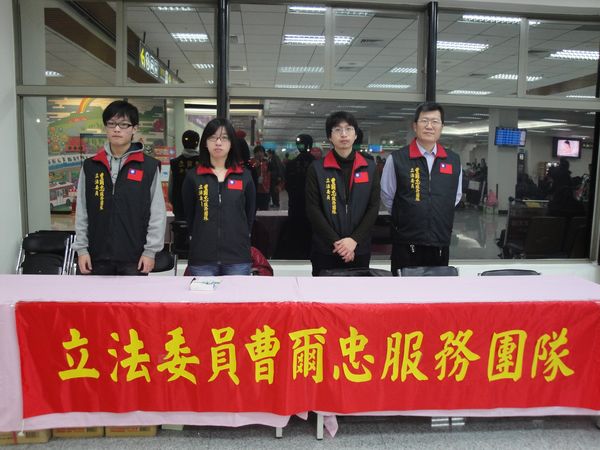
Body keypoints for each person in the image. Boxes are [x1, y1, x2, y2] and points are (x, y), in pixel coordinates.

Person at [73, 100, 166, 275]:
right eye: (112, 124)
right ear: (106, 128)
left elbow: (157, 213)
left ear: (134, 129)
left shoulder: (148, 166)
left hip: (135, 257)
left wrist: (150, 252)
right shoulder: (90, 166)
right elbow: (82, 211)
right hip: (96, 256)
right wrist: (82, 250)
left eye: (124, 125)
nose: (117, 129)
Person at [380, 102, 462, 274]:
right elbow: (388, 196)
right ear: (415, 126)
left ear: (442, 127)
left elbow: (455, 197)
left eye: (435, 121)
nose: (429, 126)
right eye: (424, 121)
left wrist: (435, 212)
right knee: (404, 289)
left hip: (440, 241)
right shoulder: (397, 159)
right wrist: (409, 215)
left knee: (437, 289)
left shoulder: (453, 160)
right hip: (406, 242)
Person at [305, 111, 380, 276]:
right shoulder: (317, 169)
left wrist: (354, 240)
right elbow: (313, 209)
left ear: (355, 135)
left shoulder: (369, 167)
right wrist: (337, 243)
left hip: (358, 248)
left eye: (348, 129)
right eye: (338, 130)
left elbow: (373, 207)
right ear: (330, 137)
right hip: (326, 249)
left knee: (357, 292)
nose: (344, 134)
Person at [181, 118, 256, 276]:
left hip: (237, 258)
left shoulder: (244, 176)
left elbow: (250, 213)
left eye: (224, 138)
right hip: (202, 259)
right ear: (205, 143)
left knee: (236, 294)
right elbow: (188, 213)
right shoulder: (194, 177)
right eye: (213, 138)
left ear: (231, 143)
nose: (218, 142)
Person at [168, 130, 200, 220]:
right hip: (199, 209)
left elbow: (171, 189)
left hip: (180, 208)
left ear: (183, 142)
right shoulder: (204, 163)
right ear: (197, 143)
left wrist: (174, 202)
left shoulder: (175, 163)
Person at [252, 145, 271, 210]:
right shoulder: (251, 162)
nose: (259, 154)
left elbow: (272, 173)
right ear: (254, 153)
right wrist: (255, 166)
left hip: (265, 190)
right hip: (254, 190)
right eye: (257, 152)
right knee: (253, 210)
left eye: (261, 152)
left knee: (264, 210)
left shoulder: (267, 163)